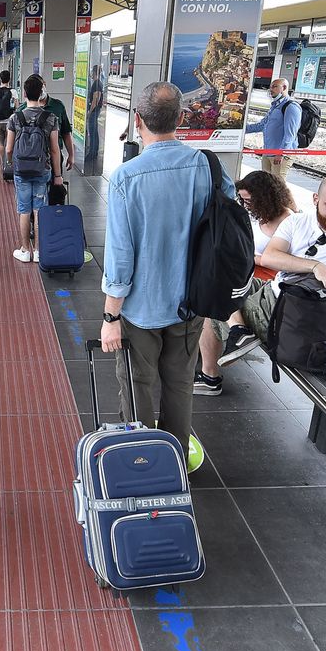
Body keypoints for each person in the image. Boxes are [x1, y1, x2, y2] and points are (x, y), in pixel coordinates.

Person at [100, 82, 233, 470]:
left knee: (139, 385)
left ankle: (142, 461)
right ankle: (174, 461)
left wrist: (111, 317)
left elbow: (120, 259)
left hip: (141, 309)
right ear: (181, 119)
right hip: (191, 303)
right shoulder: (208, 166)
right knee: (179, 385)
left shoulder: (127, 178)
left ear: (137, 121)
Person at [200, 175, 326, 390]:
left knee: (213, 303)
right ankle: (238, 334)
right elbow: (271, 256)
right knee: (219, 281)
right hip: (274, 294)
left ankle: (212, 376)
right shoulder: (296, 222)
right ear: (315, 199)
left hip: (295, 316)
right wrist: (314, 266)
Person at [194, 170, 296, 396]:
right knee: (211, 285)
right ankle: (233, 335)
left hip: (266, 279)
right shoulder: (258, 216)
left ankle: (212, 370)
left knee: (216, 298)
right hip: (246, 273)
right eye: (243, 200)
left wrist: (250, 257)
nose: (246, 205)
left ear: (265, 197)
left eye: (250, 200)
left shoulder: (291, 222)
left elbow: (276, 259)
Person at [5, 74, 63, 263]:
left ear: (24, 93)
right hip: (42, 170)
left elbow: (8, 148)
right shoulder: (51, 118)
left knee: (24, 210)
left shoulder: (16, 117)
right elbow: (55, 150)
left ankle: (24, 250)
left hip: (21, 171)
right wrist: (58, 175)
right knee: (39, 210)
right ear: (41, 93)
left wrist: (13, 163)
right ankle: (38, 251)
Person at [245, 77, 300, 180]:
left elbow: (290, 134)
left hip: (280, 155)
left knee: (278, 187)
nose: (271, 90)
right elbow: (262, 125)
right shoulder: (274, 106)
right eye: (270, 87)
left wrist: (281, 153)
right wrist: (241, 129)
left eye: (274, 87)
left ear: (284, 88)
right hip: (268, 152)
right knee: (267, 185)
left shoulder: (291, 107)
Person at [19, 77, 75, 171]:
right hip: (30, 157)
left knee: (55, 183)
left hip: (55, 156)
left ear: (45, 85)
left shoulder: (58, 106)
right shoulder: (22, 110)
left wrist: (71, 155)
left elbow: (66, 132)